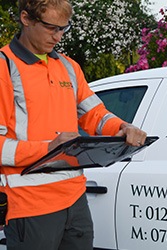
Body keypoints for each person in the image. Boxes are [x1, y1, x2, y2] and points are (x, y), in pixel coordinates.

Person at [0, 0, 147, 249]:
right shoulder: (4, 67)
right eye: (51, 28)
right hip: (29, 204)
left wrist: (122, 127)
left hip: (75, 199)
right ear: (26, 18)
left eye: (63, 29)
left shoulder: (68, 67)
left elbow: (95, 114)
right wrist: (48, 148)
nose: (58, 37)